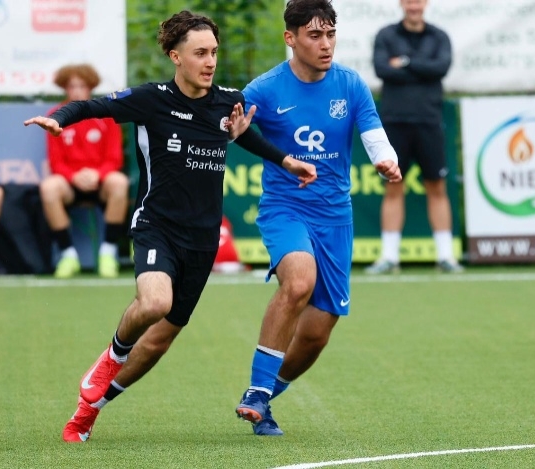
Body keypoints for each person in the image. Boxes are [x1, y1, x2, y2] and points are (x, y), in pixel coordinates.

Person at [24, 10, 317, 443]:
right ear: (175, 56)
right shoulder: (151, 99)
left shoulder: (228, 101)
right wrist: (61, 119)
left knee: (159, 341)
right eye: (200, 53)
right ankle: (111, 356)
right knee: (155, 302)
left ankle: (89, 410)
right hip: (157, 226)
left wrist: (286, 160)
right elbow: (91, 106)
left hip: (202, 240)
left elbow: (243, 134)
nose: (210, 61)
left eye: (214, 52)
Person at [234, 0, 402, 436]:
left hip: (335, 217)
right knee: (298, 281)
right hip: (285, 208)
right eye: (314, 35)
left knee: (316, 335)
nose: (326, 44)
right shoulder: (265, 89)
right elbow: (231, 124)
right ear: (290, 39)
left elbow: (373, 131)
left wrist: (385, 159)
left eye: (330, 34)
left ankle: (265, 396)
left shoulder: (350, 84)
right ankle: (257, 389)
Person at [364, 0, 461, 274]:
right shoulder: (386, 35)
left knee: (437, 187)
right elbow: (382, 69)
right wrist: (422, 69)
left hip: (429, 122)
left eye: (418, 1)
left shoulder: (439, 36)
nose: (413, 6)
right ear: (401, 4)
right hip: (395, 122)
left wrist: (405, 63)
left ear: (425, 4)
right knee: (393, 187)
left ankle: (446, 257)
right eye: (409, 1)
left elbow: (441, 68)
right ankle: (389, 257)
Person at [42, 64, 128, 278]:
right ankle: (68, 256)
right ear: (65, 88)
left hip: (100, 183)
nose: (77, 91)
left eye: (82, 86)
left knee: (119, 183)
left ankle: (108, 254)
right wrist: (74, 176)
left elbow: (114, 158)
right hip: (70, 185)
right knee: (48, 187)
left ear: (91, 87)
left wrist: (98, 174)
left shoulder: (107, 116)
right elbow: (56, 162)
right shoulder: (54, 117)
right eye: (72, 86)